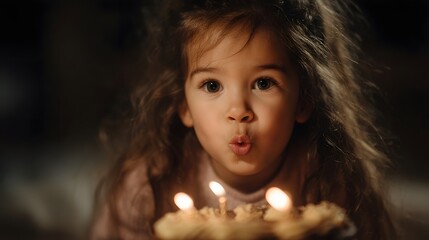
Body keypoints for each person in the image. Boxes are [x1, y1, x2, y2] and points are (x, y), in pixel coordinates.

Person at [89, 0, 397, 239]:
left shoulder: (327, 180)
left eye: (263, 83)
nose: (238, 110)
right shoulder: (148, 186)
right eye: (212, 86)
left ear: (304, 100)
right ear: (183, 106)